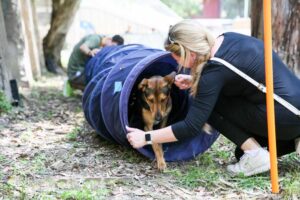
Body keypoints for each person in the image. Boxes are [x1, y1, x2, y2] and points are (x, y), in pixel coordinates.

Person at [126, 19, 300, 176]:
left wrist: (146, 137)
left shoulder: (214, 71)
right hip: (292, 108)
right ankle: (294, 141)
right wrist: (195, 80)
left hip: (284, 115)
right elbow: (239, 78)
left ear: (190, 54)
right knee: (239, 154)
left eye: (178, 59)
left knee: (207, 104)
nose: (178, 65)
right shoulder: (229, 38)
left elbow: (191, 126)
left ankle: (255, 154)